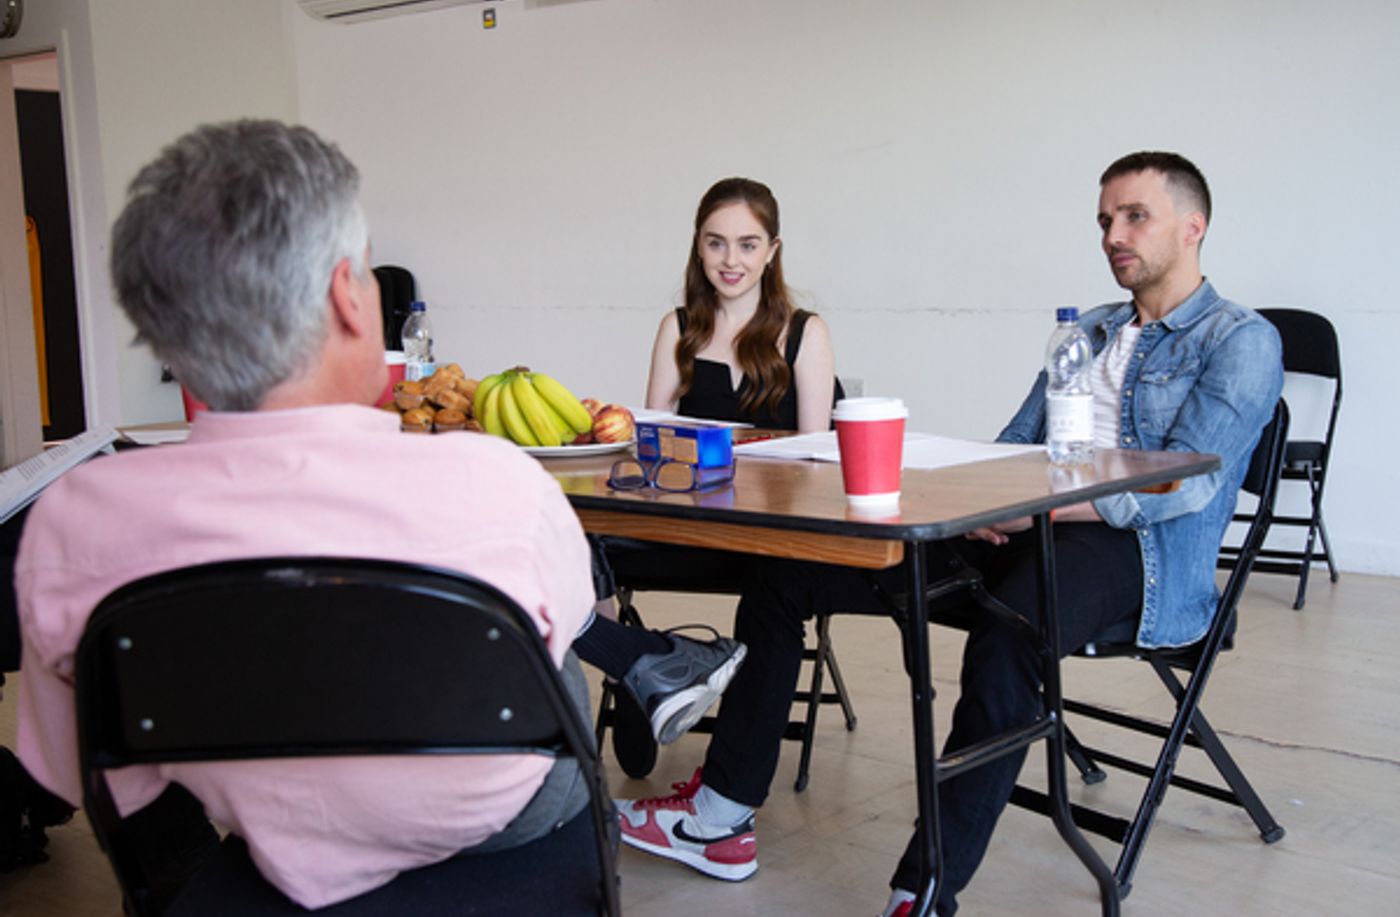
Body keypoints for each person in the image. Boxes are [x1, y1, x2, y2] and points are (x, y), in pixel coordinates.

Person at [613, 152, 1284, 915]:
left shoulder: (1241, 339)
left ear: (1193, 227)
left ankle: (924, 887)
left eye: (1135, 217)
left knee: (1007, 639)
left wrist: (1038, 508)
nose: (1113, 235)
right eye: (1105, 220)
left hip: (1134, 554)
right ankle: (720, 816)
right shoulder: (1089, 330)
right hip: (1026, 530)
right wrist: (981, 497)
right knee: (786, 570)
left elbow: (1180, 483)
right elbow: (1013, 441)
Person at [13, 119, 605, 911]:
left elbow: (80, 769)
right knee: (557, 652)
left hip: (249, 830)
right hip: (498, 827)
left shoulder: (73, 520)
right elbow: (569, 629)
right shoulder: (499, 481)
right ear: (345, 298)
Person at [573, 177, 840, 746]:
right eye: (716, 242)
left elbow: (817, 458)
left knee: (780, 588)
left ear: (772, 251)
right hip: (691, 521)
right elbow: (648, 436)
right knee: (571, 533)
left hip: (768, 532)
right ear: (698, 246)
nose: (731, 259)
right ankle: (639, 666)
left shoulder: (805, 334)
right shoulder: (679, 328)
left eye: (748, 244)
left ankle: (648, 675)